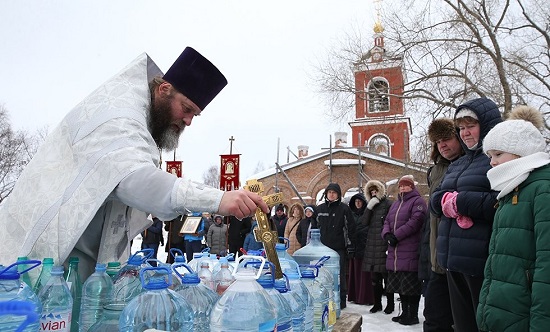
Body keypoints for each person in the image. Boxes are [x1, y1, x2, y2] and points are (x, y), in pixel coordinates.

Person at [0, 46, 269, 278]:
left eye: (194, 115)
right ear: (164, 89)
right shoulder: (118, 117)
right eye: (186, 109)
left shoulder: (142, 120)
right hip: (35, 259)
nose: (187, 121)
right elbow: (134, 181)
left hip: (80, 263)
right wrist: (219, 200)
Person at [430, 97, 502, 332]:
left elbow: (502, 204)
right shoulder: (457, 165)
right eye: (461, 128)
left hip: (481, 263)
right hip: (452, 261)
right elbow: (434, 201)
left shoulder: (497, 159)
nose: (465, 133)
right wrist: (444, 202)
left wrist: (460, 202)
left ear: (487, 124)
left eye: (470, 126)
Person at [477, 106, 550, 331]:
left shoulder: (542, 191)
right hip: (504, 314)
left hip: (525, 316)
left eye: (498, 154)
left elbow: (546, 268)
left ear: (522, 152)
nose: (492, 162)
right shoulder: (510, 191)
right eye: (490, 156)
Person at [419, 118, 463, 332]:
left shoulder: (473, 164)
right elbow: (431, 221)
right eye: (437, 142)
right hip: (437, 263)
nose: (442, 145)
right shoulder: (434, 171)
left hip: (462, 262)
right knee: (434, 319)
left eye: (446, 139)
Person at [382, 175, 427, 326]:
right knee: (401, 285)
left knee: (411, 285)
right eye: (400, 186)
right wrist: (387, 234)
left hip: (410, 249)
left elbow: (416, 221)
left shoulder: (418, 201)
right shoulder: (395, 204)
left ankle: (412, 314)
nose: (402, 188)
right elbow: (387, 221)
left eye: (406, 186)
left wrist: (396, 235)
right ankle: (404, 313)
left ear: (412, 187)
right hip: (395, 251)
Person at [316, 182, 356, 309]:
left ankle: (341, 300)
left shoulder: (344, 209)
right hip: (322, 248)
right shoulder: (320, 209)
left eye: (334, 193)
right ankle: (322, 299)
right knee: (321, 275)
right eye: (329, 192)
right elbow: (314, 228)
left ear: (338, 194)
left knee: (339, 275)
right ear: (326, 194)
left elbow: (350, 228)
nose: (331, 195)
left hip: (338, 248)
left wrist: (350, 245)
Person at [361, 180, 394, 314]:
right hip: (371, 246)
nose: (374, 194)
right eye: (371, 192)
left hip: (383, 243)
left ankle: (390, 304)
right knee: (374, 278)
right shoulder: (370, 205)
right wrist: (369, 207)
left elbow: (391, 222)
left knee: (387, 277)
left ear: (380, 191)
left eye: (375, 191)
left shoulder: (388, 204)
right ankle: (377, 303)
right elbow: (364, 222)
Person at [347, 192, 374, 306]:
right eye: (356, 202)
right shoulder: (351, 214)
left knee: (365, 274)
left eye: (360, 202)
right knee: (355, 273)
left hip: (365, 246)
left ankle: (365, 297)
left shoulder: (367, 214)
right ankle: (355, 296)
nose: (358, 204)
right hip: (354, 246)